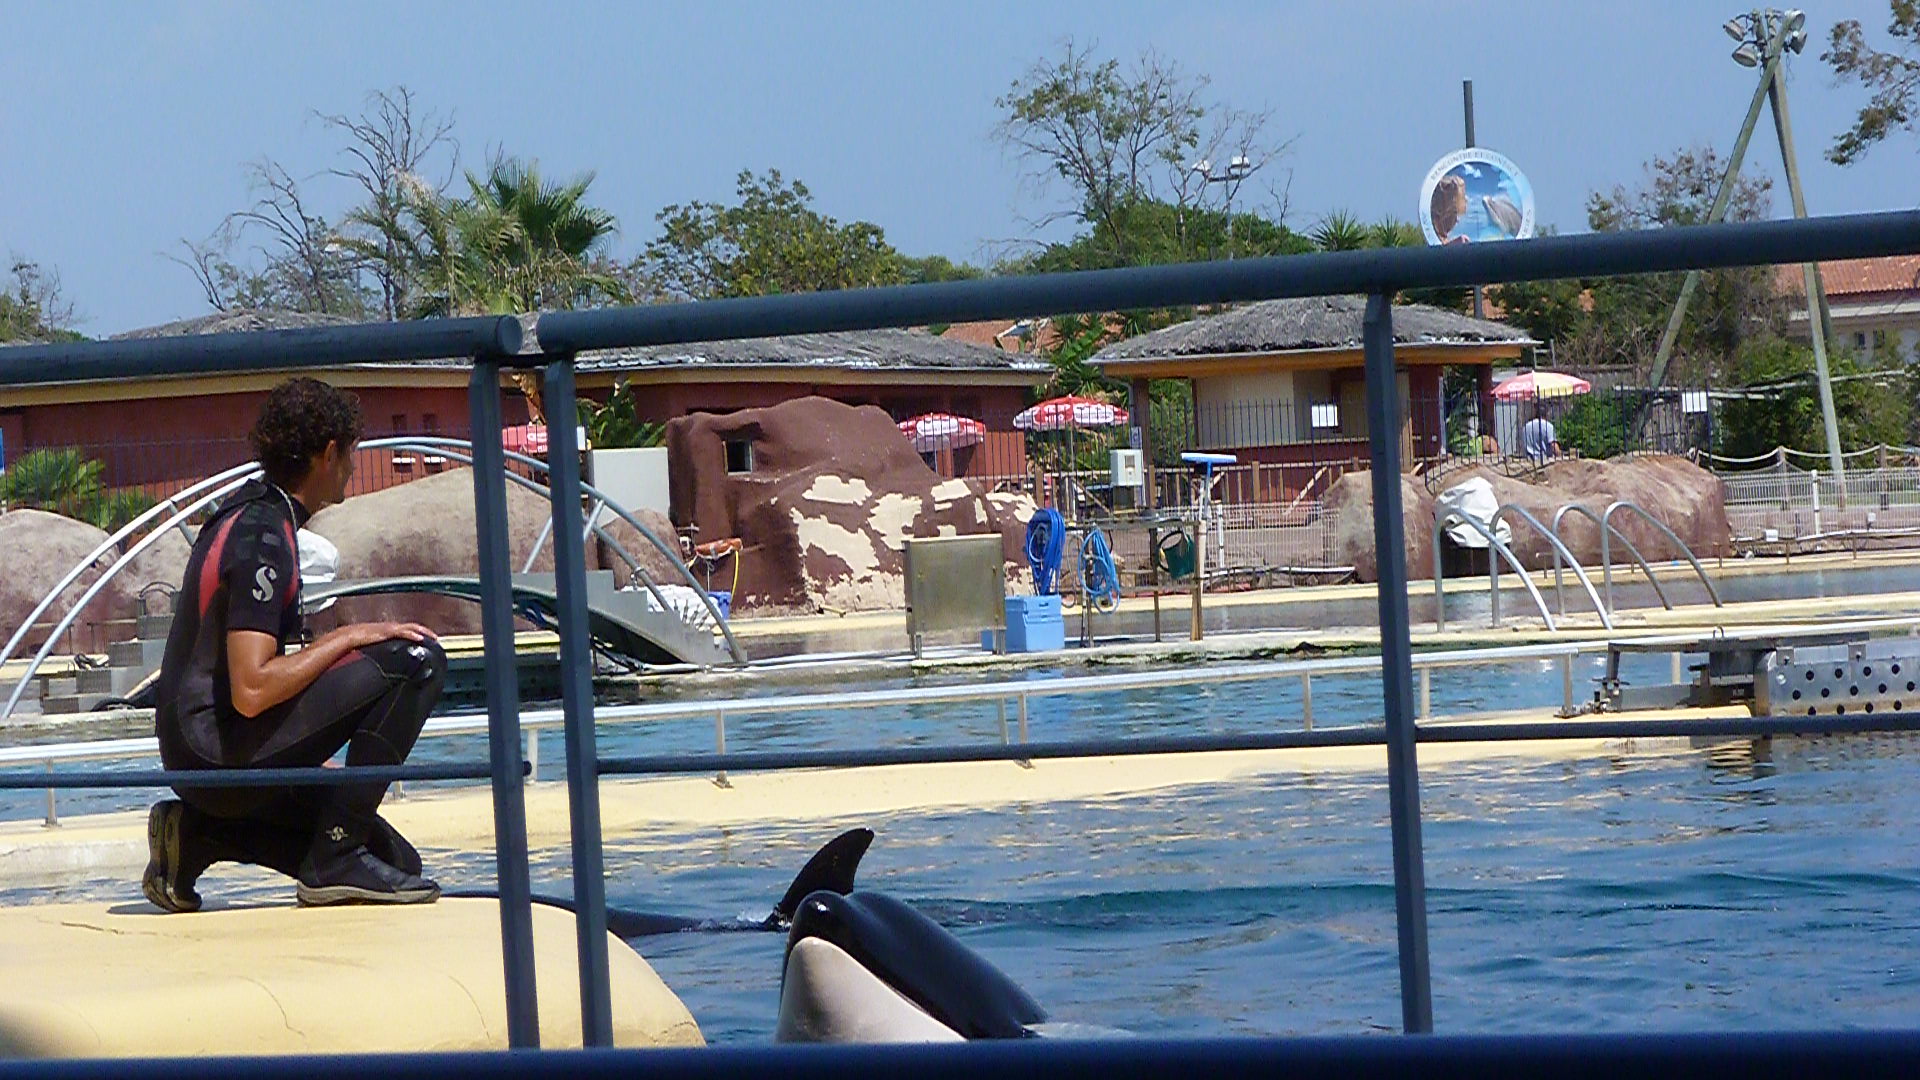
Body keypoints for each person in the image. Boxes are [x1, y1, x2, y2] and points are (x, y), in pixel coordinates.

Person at [142, 377, 445, 911]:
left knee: (396, 860)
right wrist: (350, 635)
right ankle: (335, 855)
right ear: (328, 454)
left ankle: (194, 836)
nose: (352, 466)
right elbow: (252, 689)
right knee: (416, 659)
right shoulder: (264, 537)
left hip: (200, 752)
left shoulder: (252, 513)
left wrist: (305, 750)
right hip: (212, 752)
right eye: (349, 453)